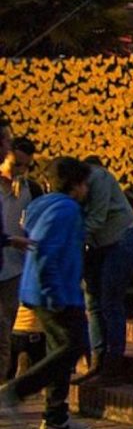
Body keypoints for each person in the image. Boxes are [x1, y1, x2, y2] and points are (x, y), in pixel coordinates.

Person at [0, 157, 93, 429]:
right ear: (76, 185)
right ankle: (17, 390)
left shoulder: (42, 205)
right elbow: (47, 251)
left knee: (59, 351)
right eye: (85, 184)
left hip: (41, 290)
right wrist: (54, 292)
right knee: (73, 346)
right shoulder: (66, 209)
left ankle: (55, 416)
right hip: (57, 293)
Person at [79, 158, 133, 387]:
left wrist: (68, 237)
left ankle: (113, 362)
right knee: (92, 301)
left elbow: (96, 218)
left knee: (110, 301)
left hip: (120, 239)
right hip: (97, 244)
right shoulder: (68, 190)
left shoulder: (99, 178)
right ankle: (98, 359)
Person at [1, 138, 38, 381]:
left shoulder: (30, 190)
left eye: (24, 166)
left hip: (12, 269)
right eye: (15, 165)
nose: (18, 171)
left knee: (3, 332)